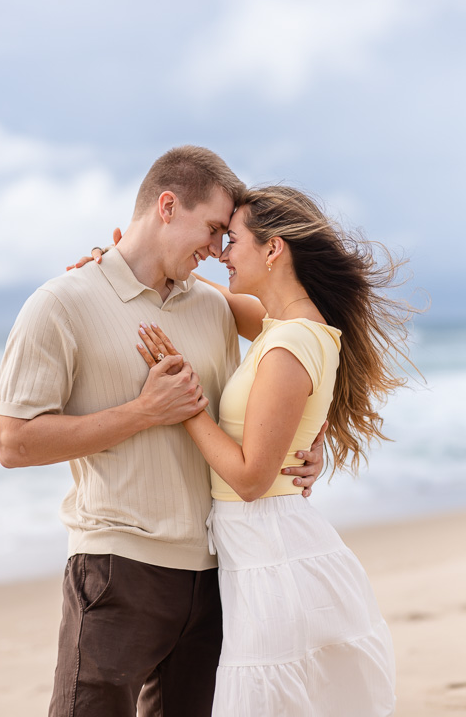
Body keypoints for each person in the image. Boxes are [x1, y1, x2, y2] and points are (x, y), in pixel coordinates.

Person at [0, 147, 324, 717]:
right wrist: (144, 411)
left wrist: (312, 442)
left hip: (217, 571)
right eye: (214, 229)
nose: (218, 249)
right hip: (118, 568)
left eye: (227, 236)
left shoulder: (215, 306)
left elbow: (308, 347)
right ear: (167, 206)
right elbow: (12, 443)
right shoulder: (61, 303)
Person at [136, 184, 411, 717]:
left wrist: (186, 401)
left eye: (232, 240)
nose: (222, 254)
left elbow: (249, 479)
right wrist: (124, 263)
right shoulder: (284, 328)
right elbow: (208, 295)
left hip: (269, 547)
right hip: (262, 545)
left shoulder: (290, 343)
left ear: (273, 248)